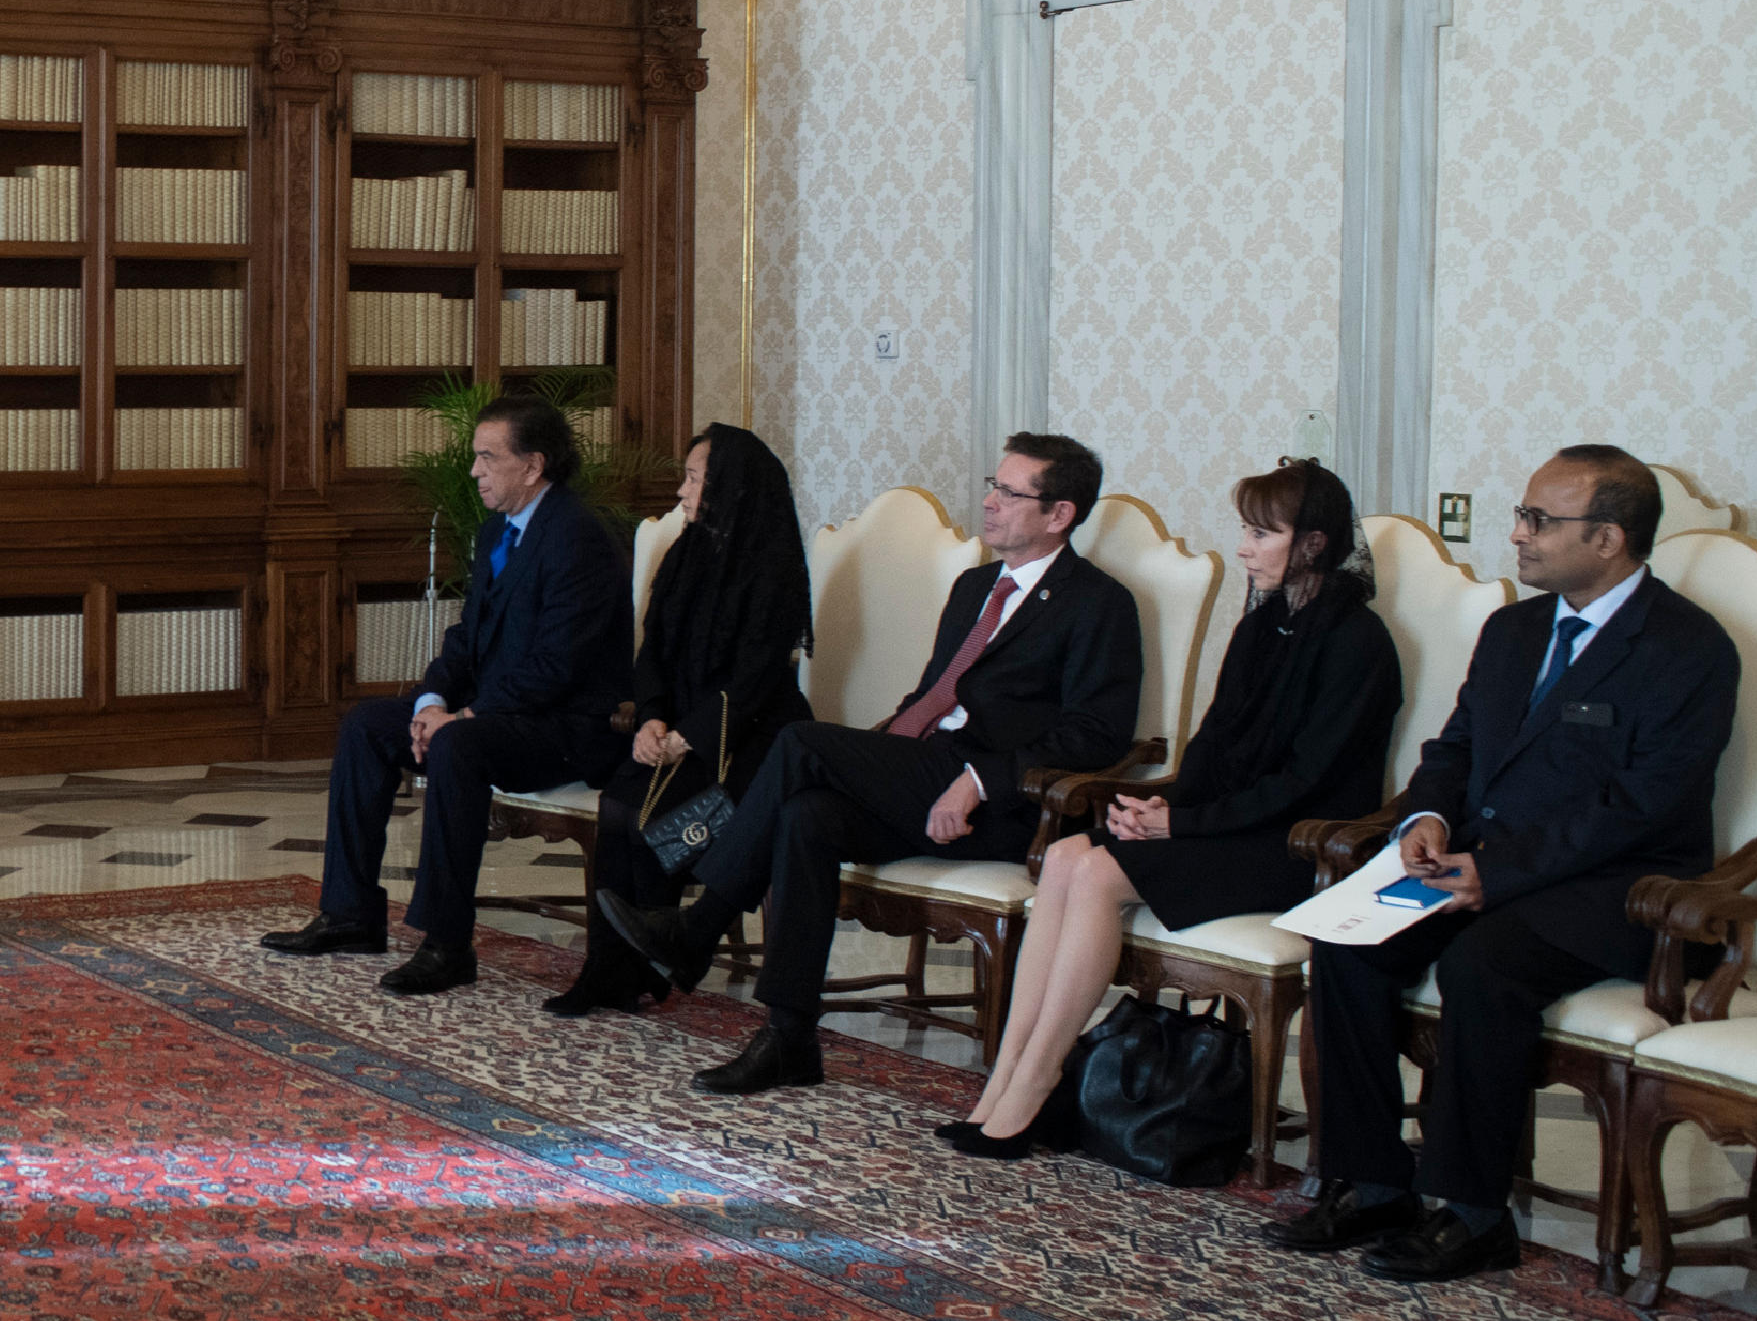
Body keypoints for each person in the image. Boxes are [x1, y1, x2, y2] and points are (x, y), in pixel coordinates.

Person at [1275, 445, 1738, 1282]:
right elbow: (1454, 748)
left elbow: (1642, 804)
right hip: (1479, 864)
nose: (1517, 534)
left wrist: (1501, 873)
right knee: (1345, 941)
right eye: (1521, 515)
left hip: (1621, 891)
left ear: (1607, 538)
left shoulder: (1686, 647)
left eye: (1538, 520)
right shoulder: (1513, 630)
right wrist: (1424, 817)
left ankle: (1472, 1212)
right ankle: (1371, 1181)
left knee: (1481, 963)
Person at [597, 432, 1143, 1095]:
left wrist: (978, 782)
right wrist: (884, 745)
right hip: (926, 768)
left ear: (1059, 514)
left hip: (1000, 803)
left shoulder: (1098, 603)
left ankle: (699, 925)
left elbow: (1095, 734)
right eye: (992, 486)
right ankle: (789, 1038)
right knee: (806, 816)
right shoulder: (975, 587)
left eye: (1009, 492)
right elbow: (935, 695)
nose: (989, 501)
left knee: (800, 742)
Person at [942, 458, 1403, 1157]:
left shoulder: (1358, 643)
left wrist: (1178, 824)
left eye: (1261, 534)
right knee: (1066, 855)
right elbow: (1210, 751)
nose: (1243, 548)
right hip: (1227, 827)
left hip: (1296, 847)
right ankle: (1004, 1078)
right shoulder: (1262, 626)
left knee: (1096, 873)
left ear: (1312, 544)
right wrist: (1150, 806)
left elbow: (1304, 784)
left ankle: (1035, 1083)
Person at [260, 395, 630, 995]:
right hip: (497, 716)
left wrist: (466, 715)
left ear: (533, 465)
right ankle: (350, 914)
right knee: (366, 726)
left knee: (459, 744)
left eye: (488, 457)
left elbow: (557, 666)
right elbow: (466, 640)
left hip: (566, 728)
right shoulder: (497, 531)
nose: (475, 470)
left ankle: (447, 944)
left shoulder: (578, 537)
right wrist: (431, 702)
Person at [549, 423, 814, 1018]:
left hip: (749, 742)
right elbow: (654, 654)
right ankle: (609, 967)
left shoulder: (772, 568)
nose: (681, 491)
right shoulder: (686, 551)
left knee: (657, 820)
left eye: (694, 479)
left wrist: (689, 736)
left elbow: (755, 679)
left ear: (729, 487)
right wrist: (651, 719)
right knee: (620, 802)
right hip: (676, 731)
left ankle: (652, 962)